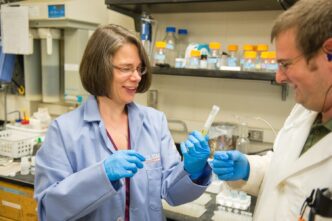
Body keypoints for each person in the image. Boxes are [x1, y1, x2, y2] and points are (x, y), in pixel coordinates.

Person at [34, 24, 211, 221]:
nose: (136, 77)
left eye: (139, 68)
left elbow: (171, 192)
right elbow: (49, 210)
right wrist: (102, 175)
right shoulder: (64, 131)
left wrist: (192, 171)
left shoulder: (155, 122)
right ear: (99, 69)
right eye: (126, 68)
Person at [185, 0, 332, 220]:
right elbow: (286, 172)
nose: (279, 77)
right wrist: (249, 169)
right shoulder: (305, 110)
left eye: (286, 64)